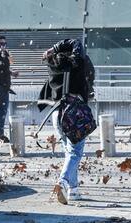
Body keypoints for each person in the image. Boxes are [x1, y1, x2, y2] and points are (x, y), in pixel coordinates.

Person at [40, 39, 88, 204]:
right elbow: (76, 43)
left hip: (56, 114)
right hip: (74, 113)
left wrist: (52, 50)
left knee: (69, 152)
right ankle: (63, 181)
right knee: (75, 153)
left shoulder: (53, 66)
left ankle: (73, 191)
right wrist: (56, 46)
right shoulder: (76, 65)